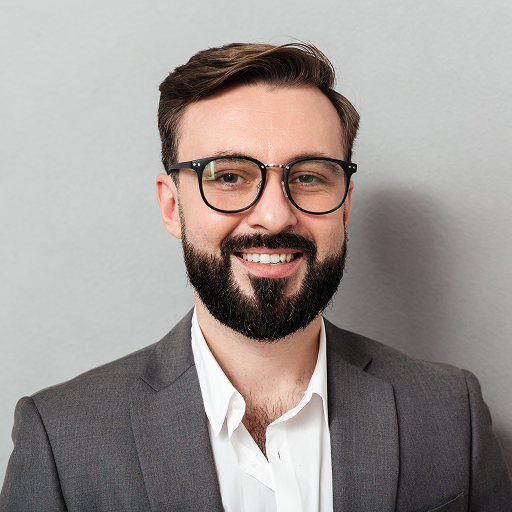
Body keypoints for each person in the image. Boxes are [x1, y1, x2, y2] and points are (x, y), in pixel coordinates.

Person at [1, 42, 511, 512]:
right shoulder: (61, 439)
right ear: (172, 206)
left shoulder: (452, 413)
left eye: (308, 176)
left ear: (345, 206)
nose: (274, 216)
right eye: (228, 176)